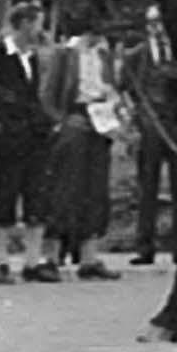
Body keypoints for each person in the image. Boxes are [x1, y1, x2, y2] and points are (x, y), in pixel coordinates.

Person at [0, 1, 59, 283]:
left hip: (35, 138)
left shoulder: (35, 58)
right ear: (24, 23)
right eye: (38, 23)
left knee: (36, 196)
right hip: (8, 139)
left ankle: (32, 261)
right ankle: (0, 261)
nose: (41, 30)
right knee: (4, 195)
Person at [40, 25, 123, 280]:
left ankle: (89, 257)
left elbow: (113, 88)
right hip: (74, 119)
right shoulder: (65, 54)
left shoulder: (105, 54)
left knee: (96, 190)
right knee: (64, 188)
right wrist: (60, 122)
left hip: (101, 122)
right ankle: (50, 256)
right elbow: (48, 94)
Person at [124, 6, 170, 265]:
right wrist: (138, 116)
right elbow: (126, 86)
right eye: (153, 23)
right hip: (150, 123)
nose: (158, 27)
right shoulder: (138, 54)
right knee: (148, 185)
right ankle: (145, 245)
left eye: (161, 22)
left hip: (176, 124)